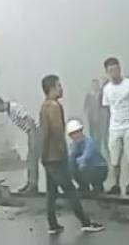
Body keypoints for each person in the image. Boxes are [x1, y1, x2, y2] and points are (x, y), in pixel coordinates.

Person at [39, 74, 104, 235]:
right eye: (59, 86)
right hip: (55, 157)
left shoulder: (44, 106)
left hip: (48, 157)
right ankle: (85, 222)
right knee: (70, 190)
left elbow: (44, 134)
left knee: (52, 192)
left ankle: (53, 224)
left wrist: (43, 155)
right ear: (52, 88)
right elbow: (56, 132)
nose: (62, 88)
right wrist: (63, 154)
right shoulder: (54, 107)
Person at [100, 58, 129, 196]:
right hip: (114, 125)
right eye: (111, 71)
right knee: (115, 158)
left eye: (116, 69)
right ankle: (116, 183)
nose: (114, 73)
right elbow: (107, 107)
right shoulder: (107, 89)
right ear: (107, 72)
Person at [0, 95, 40, 194]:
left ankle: (33, 186)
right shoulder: (9, 111)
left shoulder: (14, 107)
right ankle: (30, 184)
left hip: (35, 132)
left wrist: (32, 138)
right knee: (30, 159)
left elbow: (29, 120)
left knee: (32, 159)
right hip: (30, 133)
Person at [66, 119, 108, 195]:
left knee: (83, 167)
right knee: (72, 167)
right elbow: (70, 160)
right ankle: (83, 186)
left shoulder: (89, 142)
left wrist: (76, 161)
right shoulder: (74, 145)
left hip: (99, 169)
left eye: (77, 132)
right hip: (87, 168)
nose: (75, 135)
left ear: (81, 131)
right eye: (73, 134)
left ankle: (97, 186)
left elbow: (86, 157)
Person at [84, 79, 107, 153]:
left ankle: (103, 150)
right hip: (92, 119)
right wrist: (88, 114)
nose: (95, 86)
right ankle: (95, 150)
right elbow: (86, 107)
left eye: (96, 85)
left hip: (101, 119)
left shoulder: (101, 94)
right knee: (93, 136)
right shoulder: (89, 95)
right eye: (94, 85)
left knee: (101, 135)